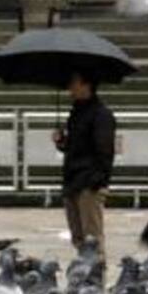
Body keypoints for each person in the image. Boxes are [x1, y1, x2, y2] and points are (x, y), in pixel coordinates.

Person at [53, 70, 116, 259]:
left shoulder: (101, 115)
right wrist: (63, 142)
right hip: (72, 180)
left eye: (74, 83)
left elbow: (104, 152)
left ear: (86, 85)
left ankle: (96, 280)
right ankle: (83, 279)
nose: (70, 88)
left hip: (89, 183)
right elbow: (76, 147)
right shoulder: (76, 113)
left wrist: (96, 181)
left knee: (92, 239)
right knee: (78, 238)